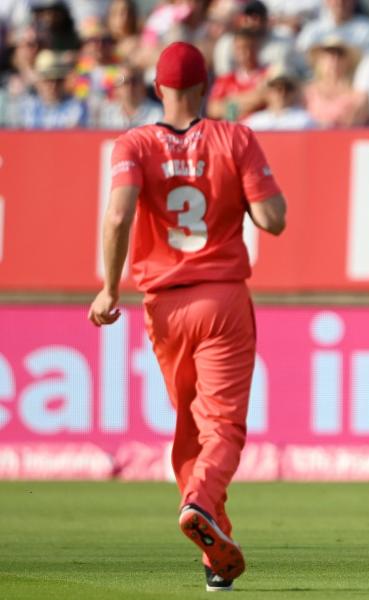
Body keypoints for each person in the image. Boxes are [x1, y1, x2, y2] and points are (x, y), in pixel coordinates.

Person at [87, 41, 287, 592]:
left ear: (158, 87)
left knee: (190, 428)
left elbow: (118, 215)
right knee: (222, 427)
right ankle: (200, 504)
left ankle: (215, 553)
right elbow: (273, 220)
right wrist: (253, 192)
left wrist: (108, 289)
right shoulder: (235, 137)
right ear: (208, 86)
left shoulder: (134, 143)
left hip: (163, 304)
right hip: (221, 297)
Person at [244, 63, 317, 130]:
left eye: (287, 88)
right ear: (267, 92)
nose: (282, 93)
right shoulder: (255, 122)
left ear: (294, 92)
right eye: (276, 88)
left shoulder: (305, 121)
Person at [91, 62, 163, 128]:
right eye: (122, 81)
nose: (129, 86)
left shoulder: (157, 113)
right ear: (116, 87)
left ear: (142, 85)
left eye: (134, 80)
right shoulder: (107, 113)